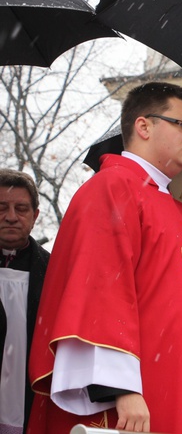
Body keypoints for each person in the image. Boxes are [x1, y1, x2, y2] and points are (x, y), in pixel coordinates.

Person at [27, 82, 182, 434]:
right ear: (143, 126)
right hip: (142, 393)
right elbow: (97, 291)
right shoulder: (112, 187)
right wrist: (121, 388)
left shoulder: (178, 212)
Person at [0, 169, 50, 434]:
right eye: (2, 208)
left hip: (31, 396)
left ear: (35, 216)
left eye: (21, 208)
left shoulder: (54, 270)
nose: (10, 217)